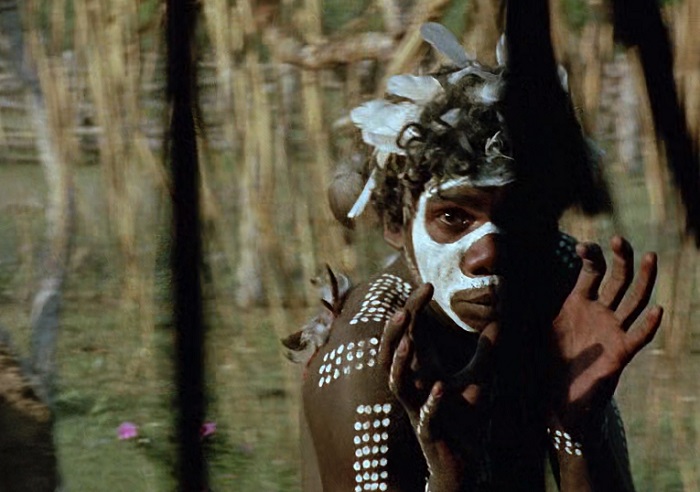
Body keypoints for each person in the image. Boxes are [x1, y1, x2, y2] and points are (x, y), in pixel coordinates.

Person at [292, 25, 662, 492]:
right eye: (453, 217)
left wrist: (576, 431)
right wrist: (451, 474)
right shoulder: (366, 360)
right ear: (396, 225)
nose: (489, 253)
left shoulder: (556, 292)